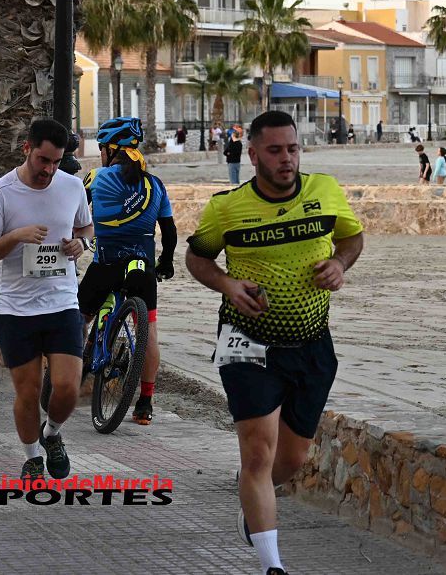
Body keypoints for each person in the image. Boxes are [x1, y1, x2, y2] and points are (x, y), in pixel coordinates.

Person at [185, 111, 364, 575]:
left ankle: (253, 500)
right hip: (247, 342)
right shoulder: (226, 208)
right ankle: (272, 566)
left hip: (311, 345)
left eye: (293, 149)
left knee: (289, 460)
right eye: (275, 150)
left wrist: (341, 264)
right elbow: (197, 257)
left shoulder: (324, 191)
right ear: (253, 154)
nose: (286, 159)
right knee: (258, 452)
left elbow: (352, 237)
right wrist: (228, 285)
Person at [0, 119, 93, 482]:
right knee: (27, 392)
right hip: (16, 309)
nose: (49, 170)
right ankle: (31, 458)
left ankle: (52, 434)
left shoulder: (72, 187)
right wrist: (17, 236)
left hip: (61, 302)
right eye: (43, 160)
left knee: (69, 387)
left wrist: (82, 244)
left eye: (56, 162)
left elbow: (86, 228)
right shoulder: (1, 193)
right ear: (27, 148)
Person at [79, 117, 177, 425]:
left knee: (78, 316)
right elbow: (170, 232)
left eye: (101, 148)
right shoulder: (155, 184)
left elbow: (73, 212)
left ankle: (70, 372)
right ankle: (145, 403)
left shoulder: (96, 177)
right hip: (142, 269)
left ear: (111, 149)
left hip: (106, 264)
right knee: (149, 332)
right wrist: (167, 262)